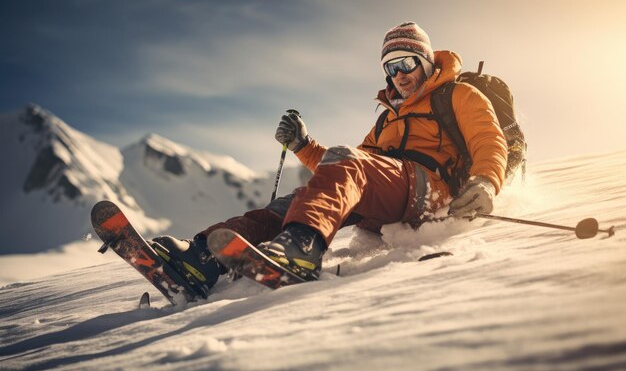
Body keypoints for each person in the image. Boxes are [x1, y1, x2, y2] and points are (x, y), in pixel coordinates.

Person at [152, 21, 508, 290]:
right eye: (390, 68)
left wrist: (485, 183)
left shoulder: (458, 95)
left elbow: (489, 140)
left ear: (426, 61)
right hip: (388, 195)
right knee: (295, 201)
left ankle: (302, 246)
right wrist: (304, 146)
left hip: (430, 192)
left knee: (344, 165)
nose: (398, 76)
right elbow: (343, 173)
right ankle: (202, 259)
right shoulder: (388, 118)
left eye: (406, 64)